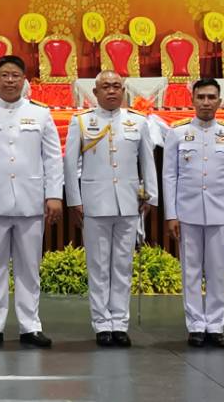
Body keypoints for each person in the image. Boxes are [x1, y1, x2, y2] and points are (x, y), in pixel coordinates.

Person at [0, 55, 63, 348]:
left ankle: (31, 326)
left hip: (31, 201)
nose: (10, 81)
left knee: (30, 267)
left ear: (24, 79)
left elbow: (52, 158)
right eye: (4, 75)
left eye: (15, 75)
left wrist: (54, 195)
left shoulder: (40, 113)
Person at [65, 69, 157, 348]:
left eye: (117, 86)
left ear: (123, 90)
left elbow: (147, 161)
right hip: (95, 203)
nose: (112, 90)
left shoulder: (137, 121)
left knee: (122, 265)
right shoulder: (81, 121)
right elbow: (69, 163)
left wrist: (151, 196)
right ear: (95, 92)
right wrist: (74, 200)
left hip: (128, 203)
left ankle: (120, 322)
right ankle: (102, 323)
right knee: (98, 266)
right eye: (106, 86)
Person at [162, 78, 224, 348]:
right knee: (191, 271)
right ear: (193, 100)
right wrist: (171, 214)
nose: (206, 102)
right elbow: (169, 176)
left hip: (221, 212)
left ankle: (215, 325)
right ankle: (196, 325)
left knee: (218, 271)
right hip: (188, 211)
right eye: (201, 97)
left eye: (211, 97)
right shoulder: (177, 133)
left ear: (219, 101)